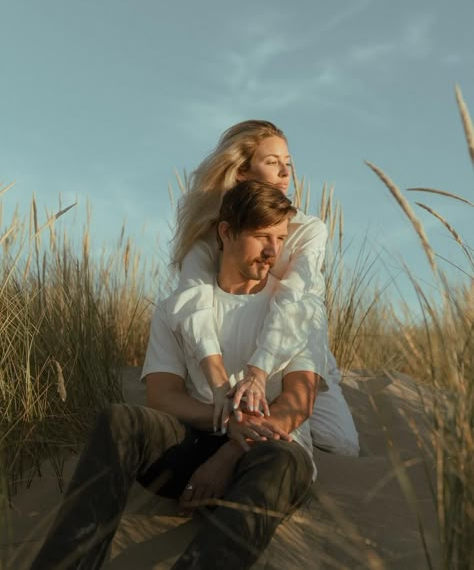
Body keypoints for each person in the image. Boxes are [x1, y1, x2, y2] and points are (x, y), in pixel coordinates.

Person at [31, 181, 323, 569]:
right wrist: (224, 425)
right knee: (120, 419)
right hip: (196, 442)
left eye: (281, 238)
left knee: (281, 462)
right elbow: (163, 396)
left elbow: (298, 402)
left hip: (269, 454)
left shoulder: (297, 307)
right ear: (225, 231)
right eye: (261, 236)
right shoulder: (178, 307)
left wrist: (233, 449)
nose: (273, 250)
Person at [170, 119, 359, 455]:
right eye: (272, 163)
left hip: (297, 349)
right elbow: (193, 306)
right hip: (228, 350)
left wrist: (259, 372)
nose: (285, 173)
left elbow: (296, 300)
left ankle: (271, 424)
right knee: (225, 419)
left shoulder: (308, 229)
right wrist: (218, 387)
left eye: (288, 164)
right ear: (241, 171)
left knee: (340, 444)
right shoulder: (208, 235)